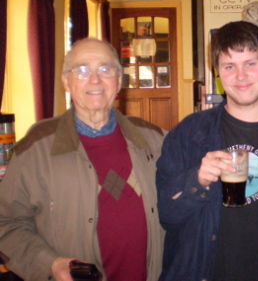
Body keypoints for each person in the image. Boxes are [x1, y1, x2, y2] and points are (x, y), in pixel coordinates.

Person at [0, 38, 165, 281]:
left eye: (105, 69)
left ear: (119, 81)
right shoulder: (35, 149)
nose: (95, 79)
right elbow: (7, 224)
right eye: (82, 70)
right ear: (66, 81)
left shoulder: (155, 140)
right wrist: (51, 265)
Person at [156, 21, 258, 281]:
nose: (241, 76)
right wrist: (198, 181)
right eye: (229, 66)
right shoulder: (189, 133)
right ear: (218, 72)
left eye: (251, 63)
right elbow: (167, 216)